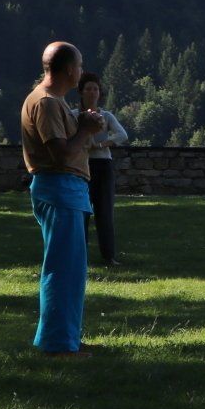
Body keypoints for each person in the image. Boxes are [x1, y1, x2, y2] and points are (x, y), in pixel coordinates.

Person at [20, 41, 105, 356]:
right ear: (69, 69)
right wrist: (84, 131)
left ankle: (65, 337)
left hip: (67, 190)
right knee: (63, 270)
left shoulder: (52, 101)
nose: (81, 73)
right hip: (60, 188)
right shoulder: (46, 103)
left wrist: (85, 129)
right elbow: (60, 154)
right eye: (80, 66)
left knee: (71, 270)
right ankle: (58, 344)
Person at [77, 71, 130, 267]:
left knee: (105, 212)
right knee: (81, 212)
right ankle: (79, 255)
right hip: (81, 166)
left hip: (103, 166)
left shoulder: (106, 116)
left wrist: (100, 145)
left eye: (95, 89)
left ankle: (109, 256)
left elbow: (122, 135)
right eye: (88, 89)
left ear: (100, 93)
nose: (92, 92)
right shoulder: (74, 116)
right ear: (81, 92)